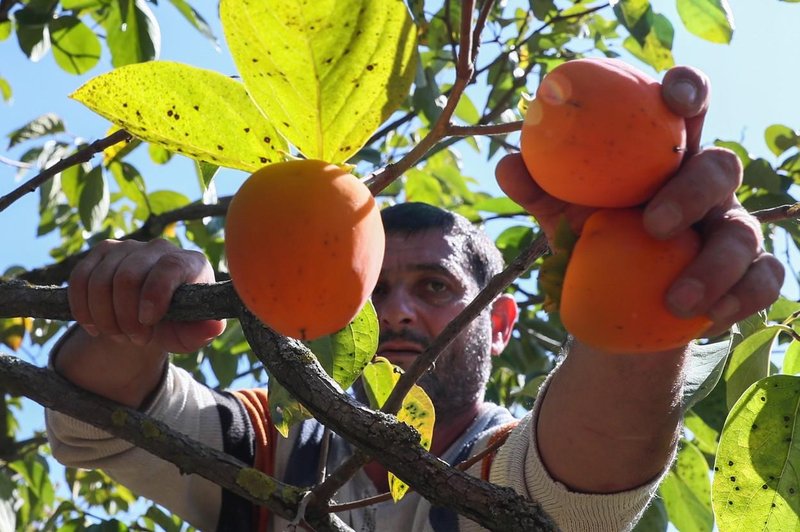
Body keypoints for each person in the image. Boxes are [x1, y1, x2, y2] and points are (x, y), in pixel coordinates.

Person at [45, 65, 784, 532]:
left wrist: (645, 283)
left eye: (433, 287)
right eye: (374, 287)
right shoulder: (275, 444)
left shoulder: (498, 461)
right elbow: (99, 417)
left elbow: (573, 498)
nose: (394, 313)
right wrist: (134, 307)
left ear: (499, 321)